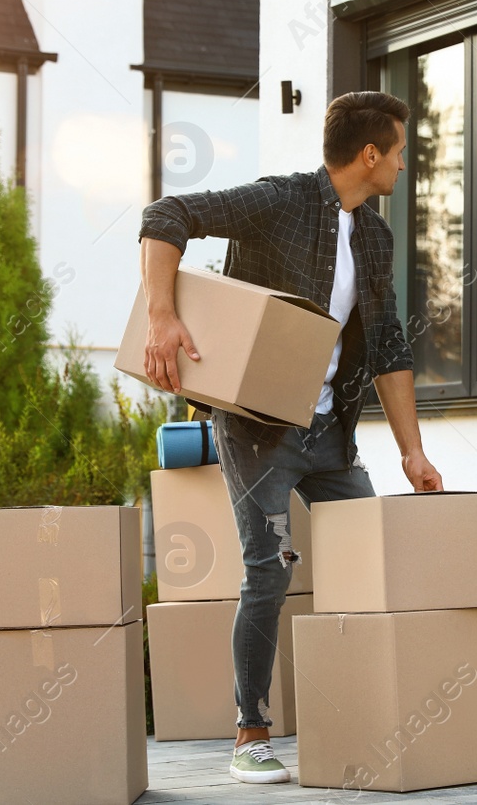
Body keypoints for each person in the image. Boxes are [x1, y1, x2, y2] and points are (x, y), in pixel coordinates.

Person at [138, 91, 444, 782]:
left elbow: (389, 344)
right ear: (370, 154)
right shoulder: (281, 200)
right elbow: (168, 215)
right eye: (398, 150)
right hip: (256, 428)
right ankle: (250, 732)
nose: (402, 162)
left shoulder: (375, 235)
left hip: (331, 429)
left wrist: (412, 451)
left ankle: (372, 713)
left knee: (369, 559)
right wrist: (161, 316)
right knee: (270, 569)